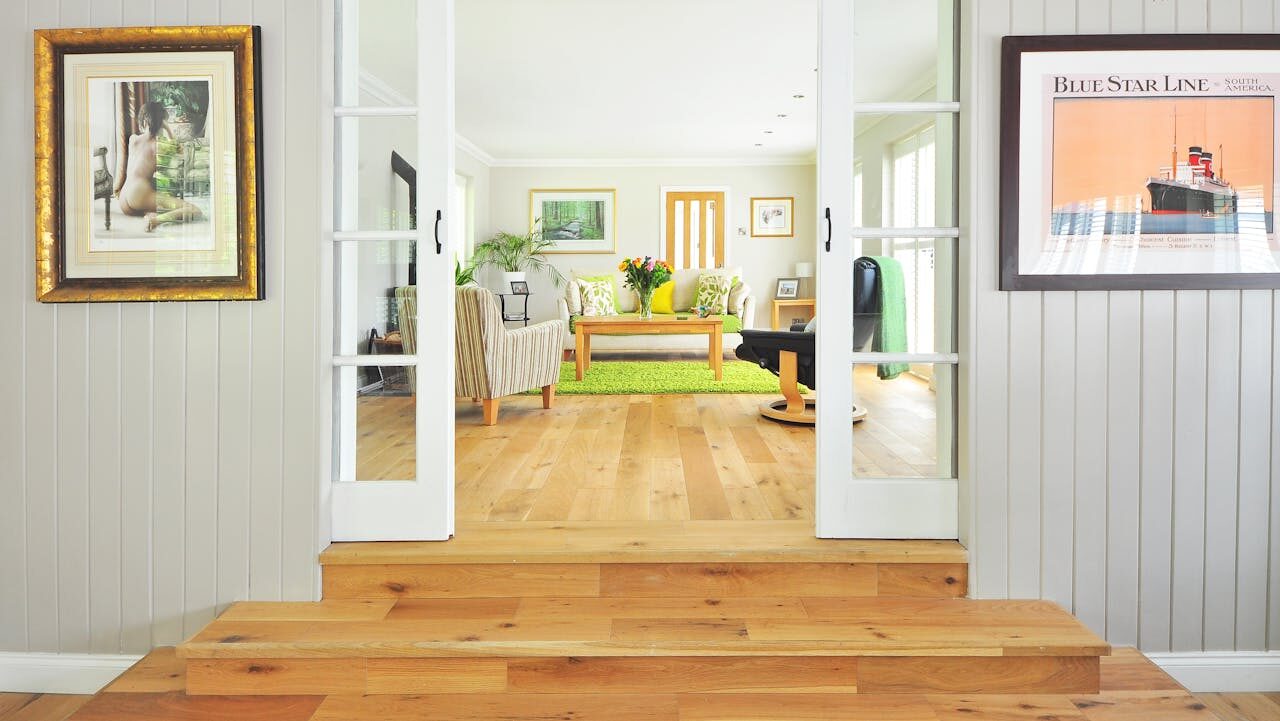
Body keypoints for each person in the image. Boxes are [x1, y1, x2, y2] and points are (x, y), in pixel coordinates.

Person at [116, 100, 202, 232]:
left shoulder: (133, 139)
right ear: (161, 122)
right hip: (139, 194)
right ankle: (157, 220)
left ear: (143, 120)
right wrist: (166, 127)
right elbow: (179, 149)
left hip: (123, 199)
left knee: (155, 192)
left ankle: (151, 213)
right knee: (195, 210)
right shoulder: (160, 146)